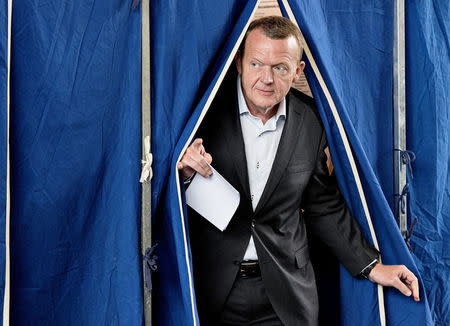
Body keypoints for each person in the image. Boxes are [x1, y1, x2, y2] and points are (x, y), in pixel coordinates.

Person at [178, 16, 419, 326]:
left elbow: (323, 206)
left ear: (297, 72)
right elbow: (168, 190)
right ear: (238, 63)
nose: (266, 78)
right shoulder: (202, 116)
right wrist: (183, 173)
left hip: (286, 294)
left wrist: (372, 266)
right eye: (256, 64)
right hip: (213, 290)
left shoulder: (313, 121)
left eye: (279, 68)